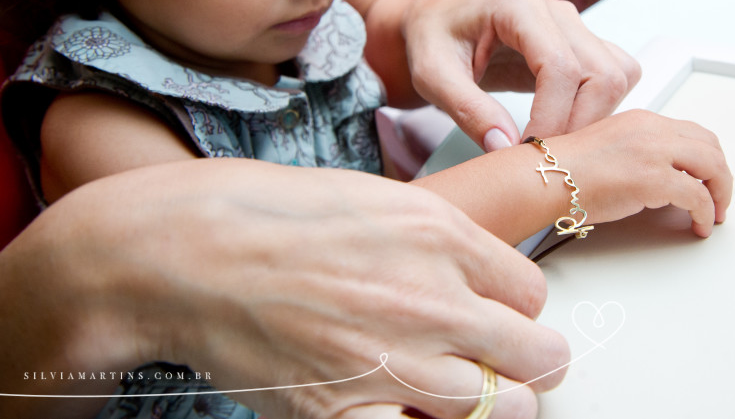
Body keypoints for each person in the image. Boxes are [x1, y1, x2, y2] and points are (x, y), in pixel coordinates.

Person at [1, 0, 732, 417]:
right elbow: (329, 259)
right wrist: (563, 171)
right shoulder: (95, 122)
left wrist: (444, 27)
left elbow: (382, 28)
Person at [0, 158, 570, 419]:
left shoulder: (299, 15)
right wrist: (554, 172)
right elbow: (302, 258)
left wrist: (413, 20)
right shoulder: (98, 116)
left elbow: (377, 14)